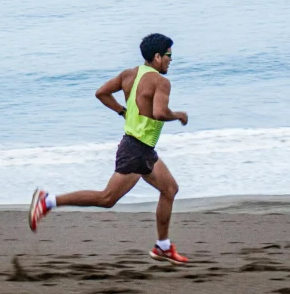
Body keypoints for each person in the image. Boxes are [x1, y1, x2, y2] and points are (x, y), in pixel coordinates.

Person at [29, 33, 191, 264]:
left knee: (170, 189)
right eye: (168, 56)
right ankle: (47, 201)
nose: (170, 60)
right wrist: (178, 115)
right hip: (136, 150)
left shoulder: (129, 74)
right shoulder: (161, 82)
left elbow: (101, 93)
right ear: (157, 57)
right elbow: (159, 113)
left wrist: (123, 111)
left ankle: (162, 246)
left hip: (142, 149)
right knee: (107, 198)